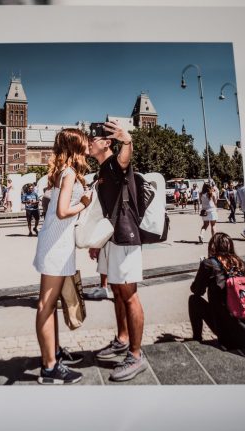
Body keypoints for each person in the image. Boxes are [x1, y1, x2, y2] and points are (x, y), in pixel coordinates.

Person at [87, 120, 148, 382]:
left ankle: (136, 355)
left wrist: (128, 140)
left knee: (129, 295)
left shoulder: (113, 163)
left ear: (106, 143)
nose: (89, 142)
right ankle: (123, 339)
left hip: (125, 236)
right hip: (111, 239)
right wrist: (97, 242)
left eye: (93, 139)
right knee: (116, 292)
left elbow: (125, 160)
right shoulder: (102, 170)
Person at [32, 128, 92, 385]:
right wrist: (85, 204)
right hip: (56, 247)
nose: (89, 143)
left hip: (57, 244)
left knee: (50, 303)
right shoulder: (68, 174)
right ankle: (49, 368)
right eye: (85, 141)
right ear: (76, 146)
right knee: (46, 304)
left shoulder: (65, 172)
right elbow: (62, 211)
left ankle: (53, 352)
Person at [188, 232, 245, 357]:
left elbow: (197, 291)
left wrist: (202, 268)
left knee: (194, 300)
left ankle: (196, 338)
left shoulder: (209, 264)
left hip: (224, 331)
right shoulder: (240, 263)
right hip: (244, 330)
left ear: (213, 247)